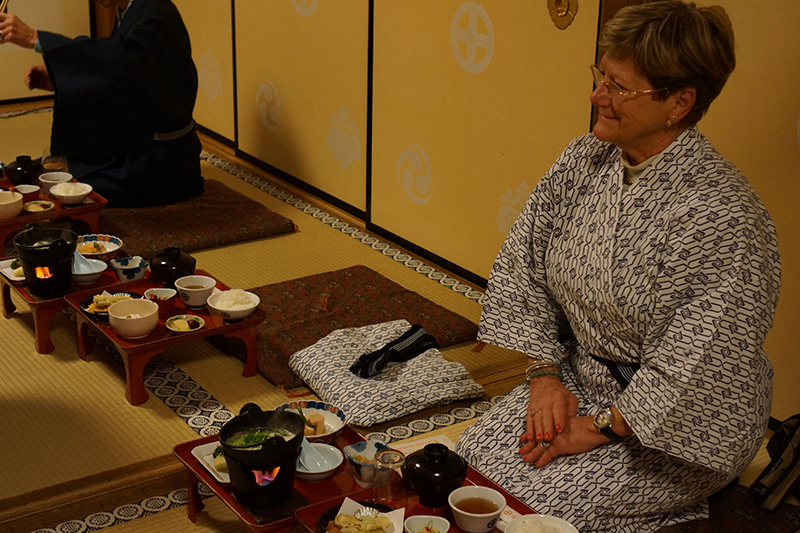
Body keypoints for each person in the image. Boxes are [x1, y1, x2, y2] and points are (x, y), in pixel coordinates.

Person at [456, 2, 781, 532]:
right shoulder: (584, 160)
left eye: (619, 87)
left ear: (680, 101)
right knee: (474, 460)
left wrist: (600, 427)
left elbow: (699, 360)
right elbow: (525, 264)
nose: (596, 97)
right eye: (600, 76)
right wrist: (544, 377)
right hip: (582, 381)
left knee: (534, 503)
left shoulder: (722, 217)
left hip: (678, 421)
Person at [0, 0, 204, 207]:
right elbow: (122, 75)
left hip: (162, 163)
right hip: (138, 145)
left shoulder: (157, 13)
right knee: (43, 171)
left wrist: (35, 38)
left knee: (59, 184)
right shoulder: (132, 10)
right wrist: (62, 79)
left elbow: (122, 63)